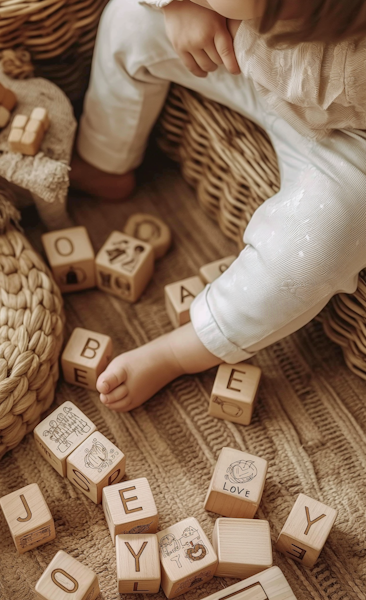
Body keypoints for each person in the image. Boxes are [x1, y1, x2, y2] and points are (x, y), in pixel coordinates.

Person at [70, 0, 366, 412]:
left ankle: (182, 349)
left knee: (326, 235)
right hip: (239, 56)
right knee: (129, 18)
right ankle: (104, 159)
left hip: (351, 138)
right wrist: (177, 4)